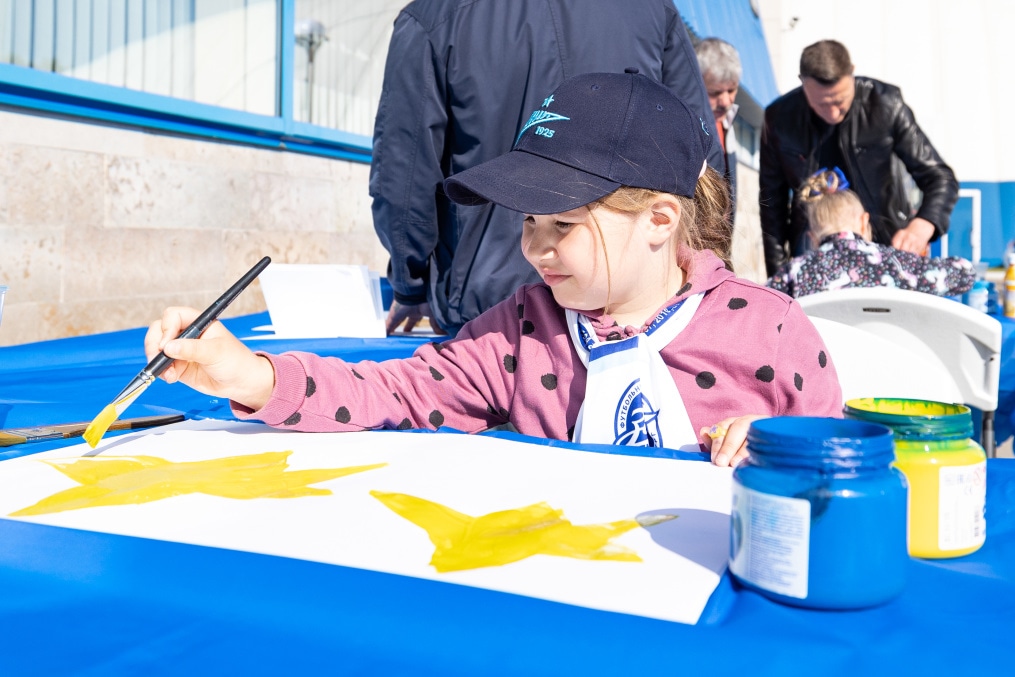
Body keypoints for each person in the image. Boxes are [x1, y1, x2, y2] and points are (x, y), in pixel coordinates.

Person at [147, 72, 842, 468]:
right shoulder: (518, 330)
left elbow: (848, 467)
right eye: (526, 223)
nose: (534, 250)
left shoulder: (771, 331)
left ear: (660, 220)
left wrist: (786, 451)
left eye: (561, 224)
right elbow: (391, 389)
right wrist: (252, 375)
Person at [371, 0, 724, 337]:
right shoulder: (650, 8)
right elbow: (700, 156)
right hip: (630, 304)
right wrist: (692, 275)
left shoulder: (435, 14)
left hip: (490, 305)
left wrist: (410, 284)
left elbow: (403, 173)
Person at [759, 39, 959, 276]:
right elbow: (772, 203)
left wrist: (923, 225)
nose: (833, 113)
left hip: (884, 244)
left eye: (840, 101)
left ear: (852, 73)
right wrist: (779, 274)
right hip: (812, 250)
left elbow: (939, 177)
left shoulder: (886, 104)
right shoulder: (779, 119)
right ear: (803, 83)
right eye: (822, 104)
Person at [767, 169, 975, 299]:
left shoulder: (795, 271)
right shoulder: (897, 264)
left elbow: (759, 304)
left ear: (812, 238)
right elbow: (965, 273)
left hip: (823, 367)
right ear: (864, 221)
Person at [695, 37, 741, 219]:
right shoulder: (689, 129)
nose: (726, 101)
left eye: (731, 90)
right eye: (715, 93)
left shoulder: (728, 123)